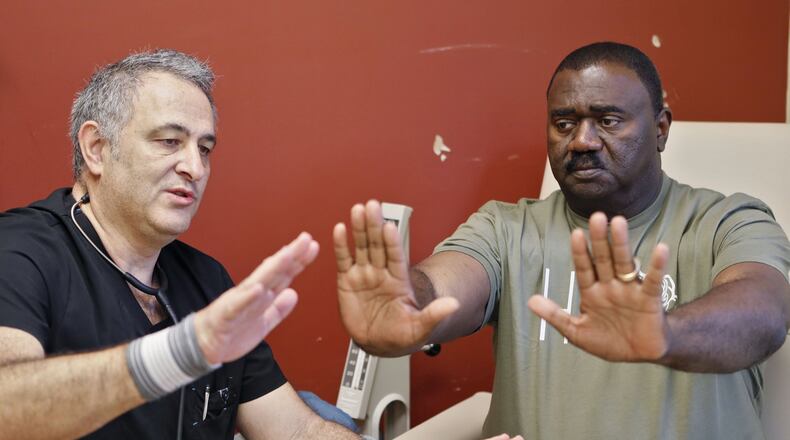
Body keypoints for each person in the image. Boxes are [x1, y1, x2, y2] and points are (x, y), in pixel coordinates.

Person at [334, 42, 790, 439]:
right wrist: (407, 303)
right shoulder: (505, 228)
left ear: (661, 129)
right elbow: (447, 285)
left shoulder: (727, 220)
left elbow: (765, 311)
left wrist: (668, 335)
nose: (582, 141)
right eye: (564, 123)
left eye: (608, 121)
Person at [0, 49, 358, 439]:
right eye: (170, 141)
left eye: (204, 149)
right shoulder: (19, 253)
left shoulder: (206, 280)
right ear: (97, 149)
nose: (196, 168)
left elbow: (297, 431)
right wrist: (179, 354)